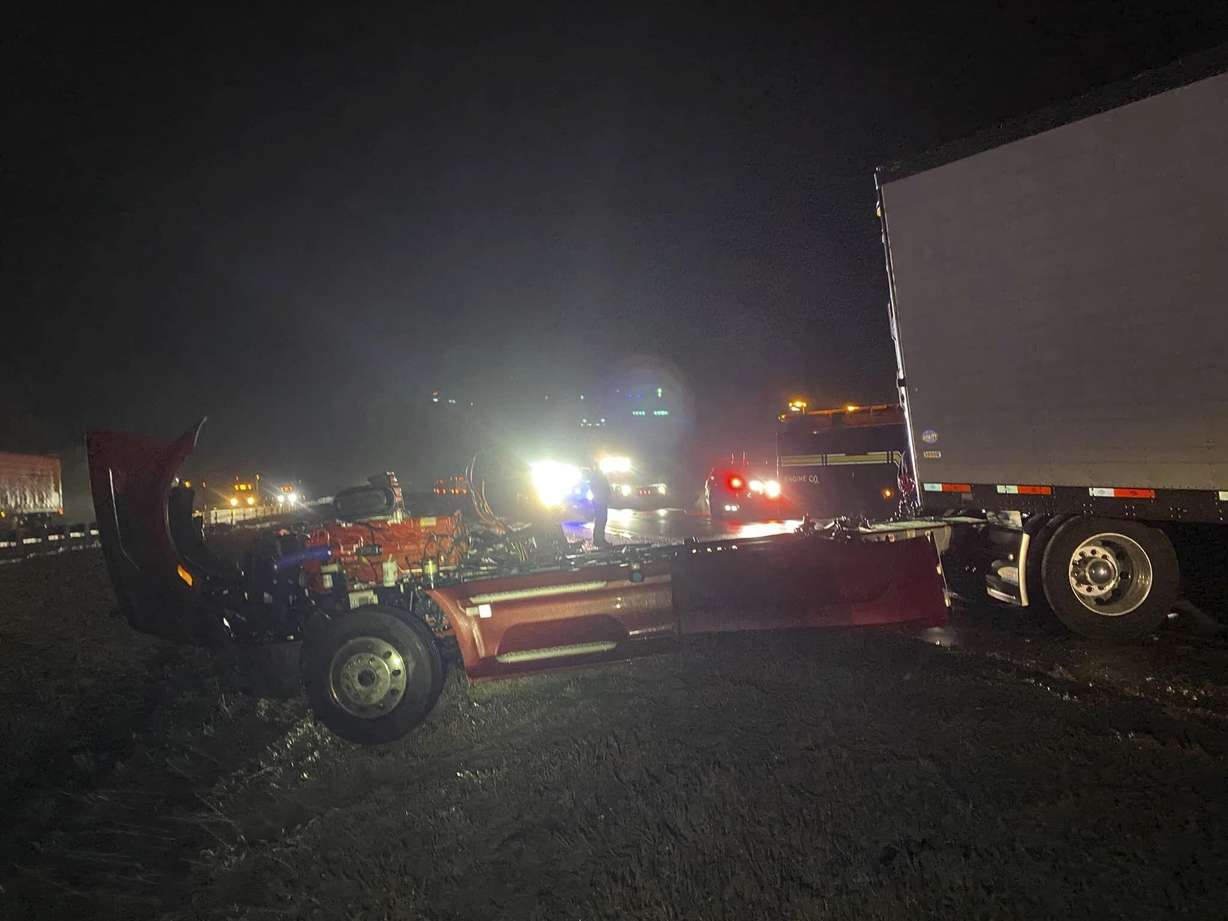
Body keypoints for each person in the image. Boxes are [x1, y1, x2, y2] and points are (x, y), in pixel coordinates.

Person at [589, 463, 611, 549]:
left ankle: (600, 539)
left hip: (602, 500)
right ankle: (598, 540)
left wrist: (607, 496)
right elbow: (594, 487)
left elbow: (606, 487)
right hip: (599, 500)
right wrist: (600, 495)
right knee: (600, 520)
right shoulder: (596, 476)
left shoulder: (600, 475)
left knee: (602, 520)